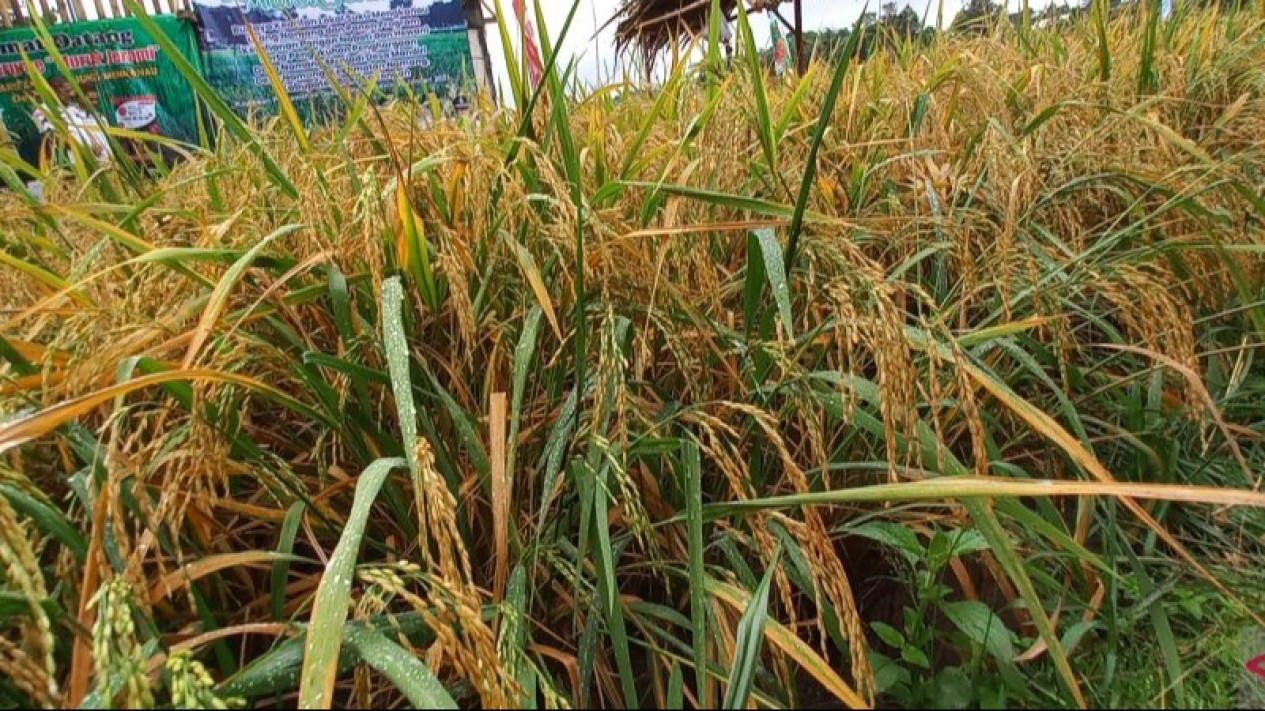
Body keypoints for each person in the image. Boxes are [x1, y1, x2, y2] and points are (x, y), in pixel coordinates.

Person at [31, 76, 111, 165]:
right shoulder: (43, 110)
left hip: (94, 161)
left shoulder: (72, 108)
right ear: (53, 91)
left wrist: (94, 143)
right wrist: (85, 150)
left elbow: (84, 128)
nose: (72, 94)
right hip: (71, 164)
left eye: (71, 90)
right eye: (67, 91)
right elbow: (54, 137)